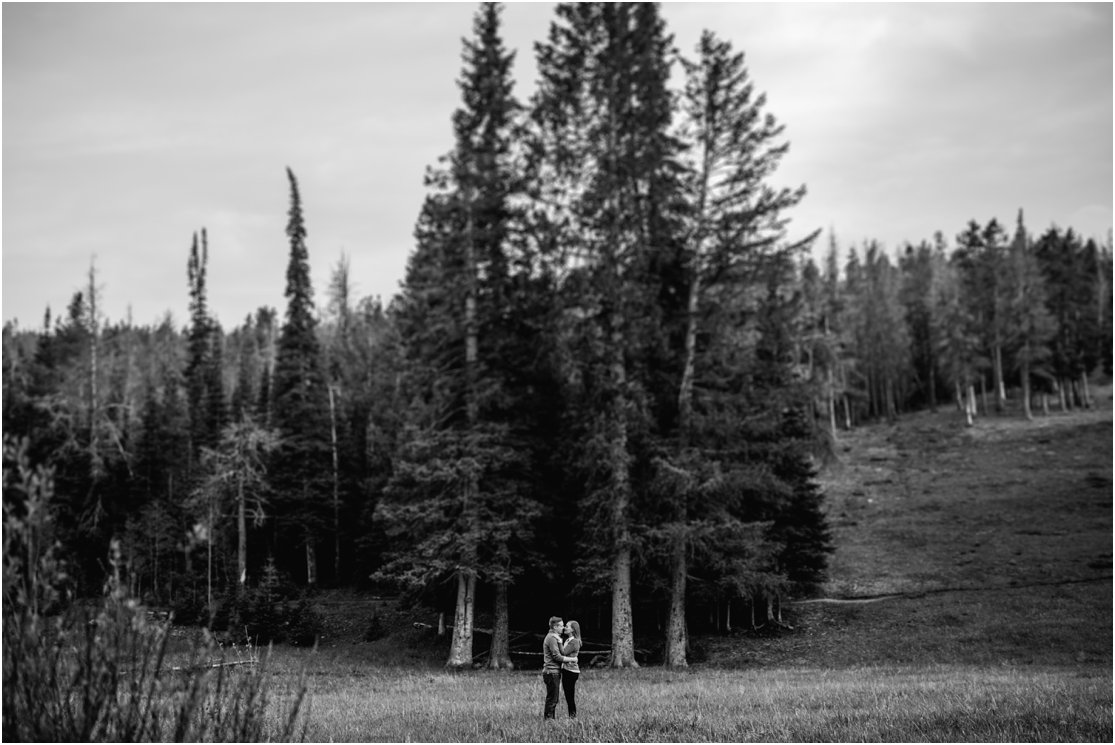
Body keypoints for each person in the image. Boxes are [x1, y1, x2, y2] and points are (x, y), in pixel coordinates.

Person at [542, 616, 576, 720]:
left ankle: (549, 719)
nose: (563, 628)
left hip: (552, 671)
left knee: (552, 697)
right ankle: (549, 721)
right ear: (555, 626)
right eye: (561, 626)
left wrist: (560, 641)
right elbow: (556, 656)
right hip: (551, 672)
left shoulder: (554, 637)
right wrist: (572, 659)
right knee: (553, 699)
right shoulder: (552, 638)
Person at [560, 619, 582, 718]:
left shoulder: (574, 642)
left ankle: (572, 717)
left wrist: (557, 641)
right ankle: (572, 716)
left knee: (569, 696)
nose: (565, 627)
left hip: (570, 671)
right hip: (567, 670)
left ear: (573, 630)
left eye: (567, 626)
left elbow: (563, 653)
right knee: (568, 695)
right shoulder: (569, 640)